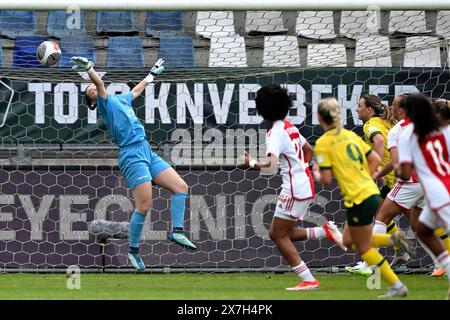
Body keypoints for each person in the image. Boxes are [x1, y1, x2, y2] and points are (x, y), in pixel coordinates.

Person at [70, 56, 196, 271]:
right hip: (131, 155)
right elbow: (99, 83)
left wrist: (152, 74)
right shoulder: (104, 104)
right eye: (89, 92)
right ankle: (134, 251)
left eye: (91, 87)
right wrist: (90, 69)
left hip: (147, 150)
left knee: (181, 188)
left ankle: (177, 231)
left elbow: (136, 91)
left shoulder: (120, 100)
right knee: (144, 206)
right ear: (93, 102)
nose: (92, 88)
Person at [240, 84, 346, 291]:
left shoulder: (275, 132)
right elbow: (308, 150)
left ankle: (308, 279)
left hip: (294, 189)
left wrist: (250, 163)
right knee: (282, 232)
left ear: (262, 110)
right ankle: (325, 230)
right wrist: (300, 169)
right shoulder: (290, 126)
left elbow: (270, 167)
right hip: (303, 184)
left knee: (277, 235)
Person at [312, 97, 412, 298]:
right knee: (350, 241)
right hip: (369, 192)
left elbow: (325, 179)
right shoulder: (349, 135)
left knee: (364, 247)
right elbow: (374, 158)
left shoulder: (323, 143)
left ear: (319, 118)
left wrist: (315, 170)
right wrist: (365, 177)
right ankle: (392, 240)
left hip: (359, 197)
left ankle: (397, 282)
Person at [346, 94, 408, 276]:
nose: (357, 109)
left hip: (398, 177)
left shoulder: (370, 125)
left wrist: (375, 168)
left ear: (369, 109)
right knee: (381, 214)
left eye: (359, 105)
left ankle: (372, 262)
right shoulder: (387, 122)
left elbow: (380, 141)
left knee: (418, 222)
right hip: (397, 175)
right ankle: (399, 250)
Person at [397, 93, 450, 299]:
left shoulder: (408, 132)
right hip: (442, 186)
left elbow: (405, 173)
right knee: (423, 230)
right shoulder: (442, 129)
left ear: (408, 112)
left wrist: (396, 168)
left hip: (439, 192)